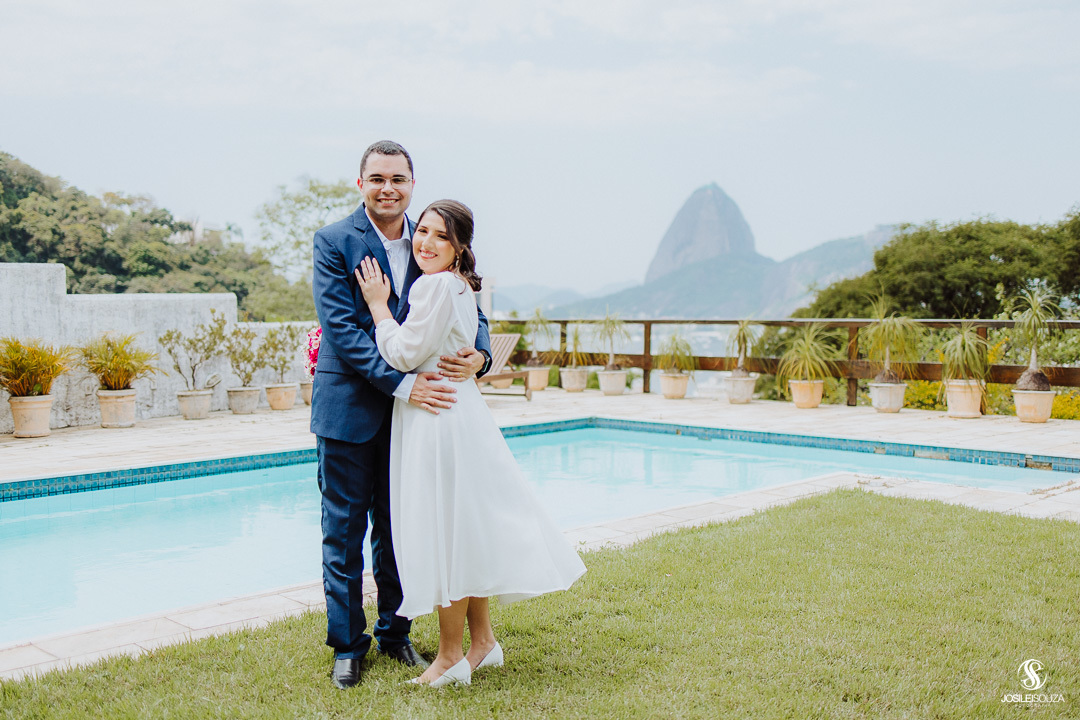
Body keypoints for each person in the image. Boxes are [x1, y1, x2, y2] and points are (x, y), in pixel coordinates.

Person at [355, 199, 586, 687]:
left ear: (460, 247)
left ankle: (449, 656)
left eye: (440, 236)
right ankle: (482, 641)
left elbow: (402, 352)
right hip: (458, 413)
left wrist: (378, 306)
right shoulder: (457, 286)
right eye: (423, 232)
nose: (426, 243)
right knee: (464, 528)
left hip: (437, 417)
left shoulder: (436, 285)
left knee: (444, 533)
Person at [310, 141, 494, 689]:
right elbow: (342, 331)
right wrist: (404, 385)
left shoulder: (432, 237)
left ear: (412, 183)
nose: (387, 187)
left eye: (398, 178)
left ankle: (396, 633)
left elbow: (469, 309)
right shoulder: (334, 241)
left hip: (420, 417)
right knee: (343, 530)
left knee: (404, 529)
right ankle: (348, 645)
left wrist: (480, 355)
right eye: (377, 178)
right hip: (352, 407)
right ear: (360, 183)